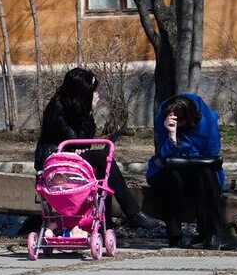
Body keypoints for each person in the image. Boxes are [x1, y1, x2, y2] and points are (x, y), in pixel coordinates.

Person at [33, 68, 162, 230]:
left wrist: (87, 116)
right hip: (54, 159)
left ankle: (106, 225)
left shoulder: (75, 105)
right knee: (102, 158)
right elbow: (78, 141)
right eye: (92, 91)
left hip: (70, 157)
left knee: (102, 170)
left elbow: (85, 142)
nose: (96, 94)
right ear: (81, 93)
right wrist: (88, 112)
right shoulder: (58, 110)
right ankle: (132, 214)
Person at [146, 94, 226, 249]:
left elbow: (212, 153)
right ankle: (174, 235)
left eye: (180, 122)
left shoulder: (207, 122)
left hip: (199, 170)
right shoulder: (162, 119)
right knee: (172, 177)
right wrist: (172, 136)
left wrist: (183, 154)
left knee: (206, 173)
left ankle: (211, 232)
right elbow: (164, 156)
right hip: (171, 169)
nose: (179, 125)